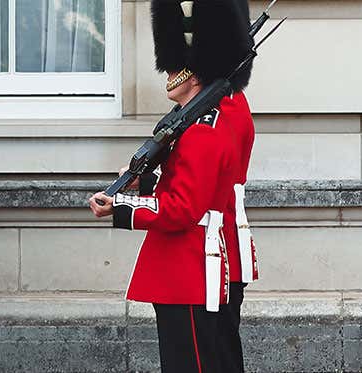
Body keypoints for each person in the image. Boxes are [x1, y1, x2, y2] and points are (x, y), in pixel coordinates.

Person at [88, 0, 256, 371]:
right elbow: (189, 179)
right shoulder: (209, 122)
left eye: (178, 66)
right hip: (201, 264)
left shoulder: (202, 132)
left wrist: (121, 208)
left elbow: (183, 207)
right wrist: (142, 179)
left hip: (190, 268)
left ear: (194, 73)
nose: (169, 73)